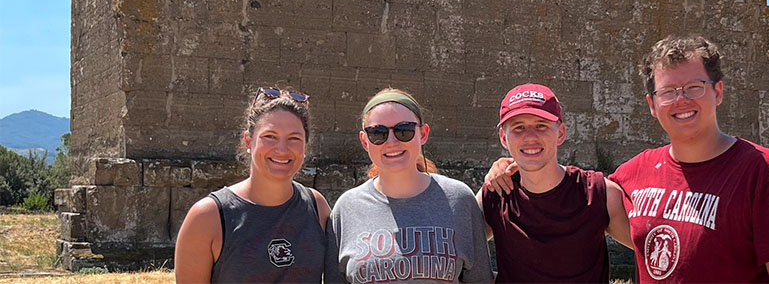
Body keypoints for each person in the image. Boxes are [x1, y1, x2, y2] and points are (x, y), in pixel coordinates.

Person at [608, 35, 769, 283]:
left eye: (694, 86)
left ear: (717, 92)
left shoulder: (764, 174)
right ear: (652, 104)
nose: (681, 99)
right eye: (668, 91)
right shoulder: (635, 172)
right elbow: (585, 197)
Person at [325, 88, 493, 284]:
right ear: (365, 141)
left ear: (423, 134)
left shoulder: (459, 199)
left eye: (403, 130)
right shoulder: (346, 208)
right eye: (378, 133)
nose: (392, 142)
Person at [477, 83, 632, 283]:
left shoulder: (598, 193)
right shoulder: (496, 193)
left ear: (560, 133)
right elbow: (452, 253)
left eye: (541, 125)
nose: (530, 136)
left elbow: (654, 248)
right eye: (519, 127)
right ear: (503, 138)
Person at [175, 86, 330, 283]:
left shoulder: (317, 207)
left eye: (294, 138)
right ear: (248, 142)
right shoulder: (207, 217)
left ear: (305, 148)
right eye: (270, 136)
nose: (282, 149)